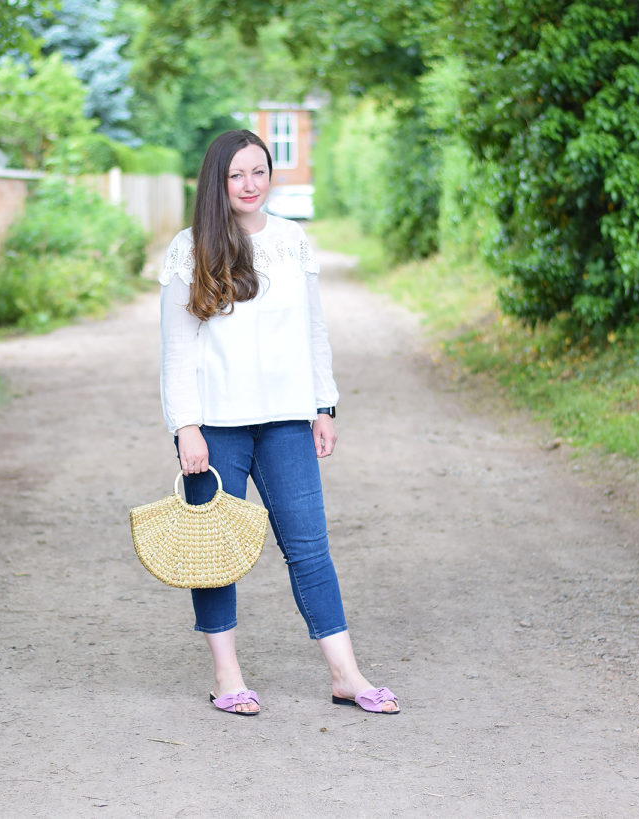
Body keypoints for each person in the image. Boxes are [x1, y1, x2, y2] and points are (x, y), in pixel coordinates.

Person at [158, 129, 399, 716]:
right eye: (237, 174)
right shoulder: (190, 249)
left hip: (288, 423)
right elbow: (176, 350)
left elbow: (315, 331)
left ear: (271, 176)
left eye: (259, 172)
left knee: (311, 549)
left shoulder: (293, 242)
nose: (249, 185)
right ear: (218, 181)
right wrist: (186, 426)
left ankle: (346, 676)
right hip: (216, 428)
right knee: (214, 553)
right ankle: (227, 676)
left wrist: (324, 404)